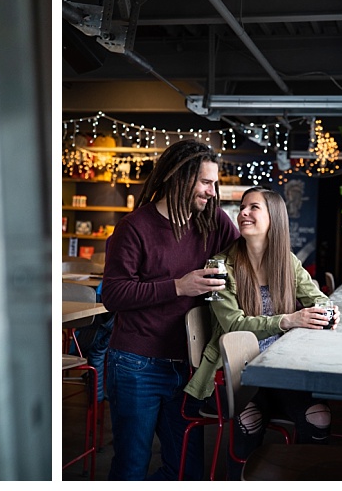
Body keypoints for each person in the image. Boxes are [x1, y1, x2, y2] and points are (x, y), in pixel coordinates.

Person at [100, 139, 239, 480]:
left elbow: (250, 263)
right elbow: (113, 295)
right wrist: (179, 286)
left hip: (188, 368)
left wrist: (308, 304)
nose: (212, 191)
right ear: (180, 178)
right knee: (132, 465)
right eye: (206, 182)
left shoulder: (213, 222)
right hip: (135, 363)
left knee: (186, 471)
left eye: (214, 183)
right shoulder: (134, 227)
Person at [183, 186, 335, 480]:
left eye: (254, 207)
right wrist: (287, 320)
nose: (243, 213)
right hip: (237, 374)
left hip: (282, 371)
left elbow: (319, 299)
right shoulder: (219, 266)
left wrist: (328, 310)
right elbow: (233, 326)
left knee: (319, 417)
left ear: (274, 217)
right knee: (248, 420)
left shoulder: (287, 261)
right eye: (242, 207)